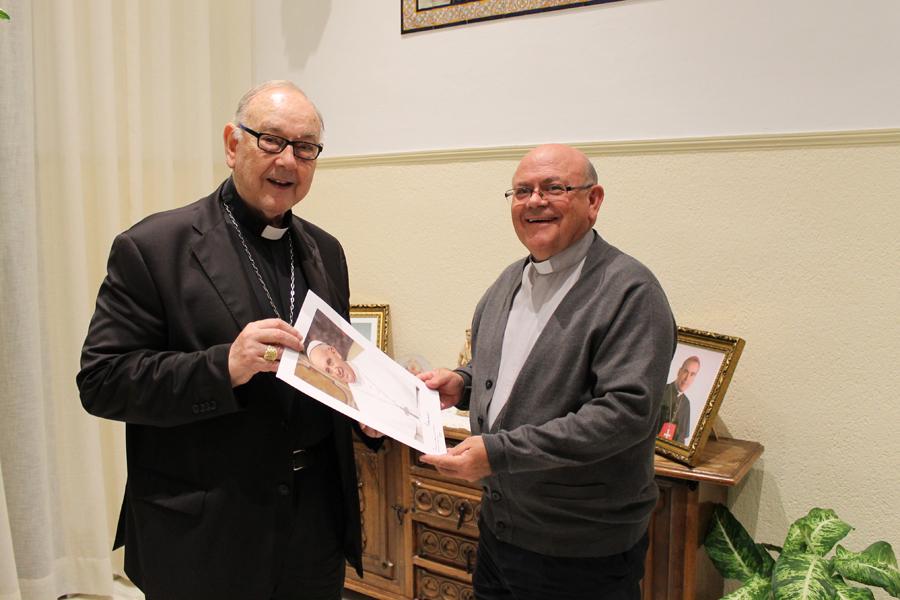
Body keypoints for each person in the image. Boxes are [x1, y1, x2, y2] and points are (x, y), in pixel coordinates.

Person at [77, 80, 380, 600]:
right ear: (231, 144)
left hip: (311, 526)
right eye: (271, 140)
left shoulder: (326, 251)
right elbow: (102, 381)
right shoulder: (153, 247)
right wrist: (224, 367)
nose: (288, 160)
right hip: (204, 531)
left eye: (305, 148)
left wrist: (369, 409)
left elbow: (326, 368)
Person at [419, 144, 676, 600]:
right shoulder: (506, 284)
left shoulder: (631, 291)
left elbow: (625, 413)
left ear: (593, 201)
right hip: (502, 531)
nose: (534, 201)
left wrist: (499, 454)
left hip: (581, 548)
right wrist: (461, 384)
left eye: (553, 188)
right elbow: (499, 370)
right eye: (521, 191)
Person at [306, 340, 424, 443]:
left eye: (330, 362)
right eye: (328, 371)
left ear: (334, 352)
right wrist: (376, 432)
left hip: (431, 406)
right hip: (420, 438)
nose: (335, 371)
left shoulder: (370, 356)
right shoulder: (353, 405)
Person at [657, 355, 701, 444]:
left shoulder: (686, 403)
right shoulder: (661, 391)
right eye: (686, 371)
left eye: (692, 374)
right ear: (679, 371)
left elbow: (682, 438)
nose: (687, 379)